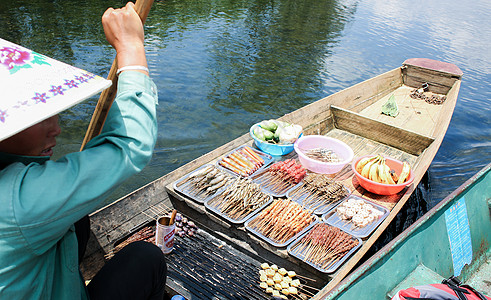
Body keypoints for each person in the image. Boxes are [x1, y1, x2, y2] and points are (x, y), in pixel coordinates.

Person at [0, 2, 167, 299]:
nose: (57, 129)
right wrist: (131, 48)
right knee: (146, 258)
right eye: (41, 118)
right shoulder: (17, 201)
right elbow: (129, 145)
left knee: (78, 220)